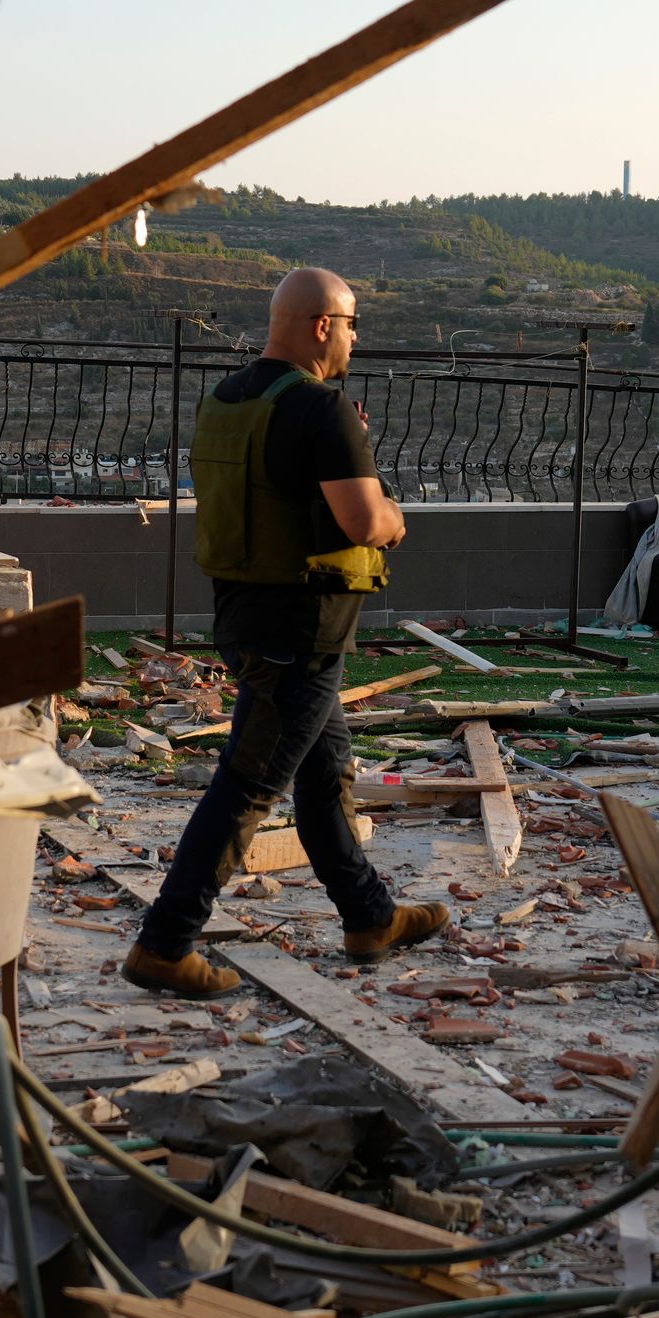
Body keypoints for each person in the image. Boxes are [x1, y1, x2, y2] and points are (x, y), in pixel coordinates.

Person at [122, 268, 450, 997]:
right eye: (354, 323)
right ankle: (165, 945)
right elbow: (365, 522)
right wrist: (397, 519)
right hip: (300, 629)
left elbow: (273, 494)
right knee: (249, 786)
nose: (357, 338)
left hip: (246, 616)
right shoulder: (319, 409)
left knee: (325, 775)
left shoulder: (226, 399)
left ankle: (370, 917)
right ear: (323, 325)